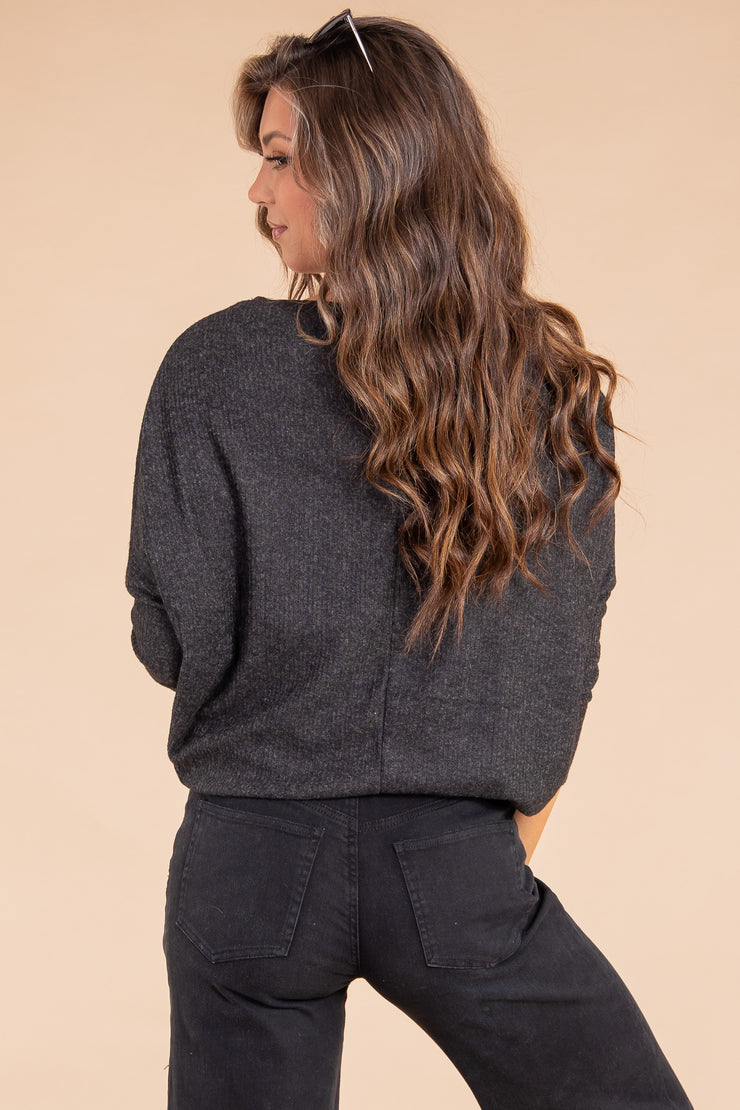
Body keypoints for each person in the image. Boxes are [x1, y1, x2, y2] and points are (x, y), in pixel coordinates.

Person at [125, 11, 693, 1109]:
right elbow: (559, 658)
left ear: (364, 167)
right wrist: (474, 844)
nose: (258, 190)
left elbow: (168, 637)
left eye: (280, 158)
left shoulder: (212, 368)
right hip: (451, 862)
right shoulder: (541, 386)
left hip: (249, 855)